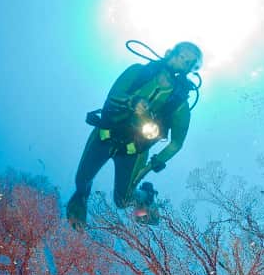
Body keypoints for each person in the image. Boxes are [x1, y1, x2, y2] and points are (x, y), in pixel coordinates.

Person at [66, 41, 202, 229]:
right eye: (181, 56)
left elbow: (177, 143)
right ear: (170, 53)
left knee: (122, 201)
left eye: (188, 63)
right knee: (81, 179)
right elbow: (113, 95)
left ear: (190, 70)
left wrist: (153, 163)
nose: (182, 63)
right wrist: (133, 101)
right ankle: (80, 199)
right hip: (104, 135)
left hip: (134, 151)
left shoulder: (180, 105)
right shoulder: (138, 72)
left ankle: (146, 196)